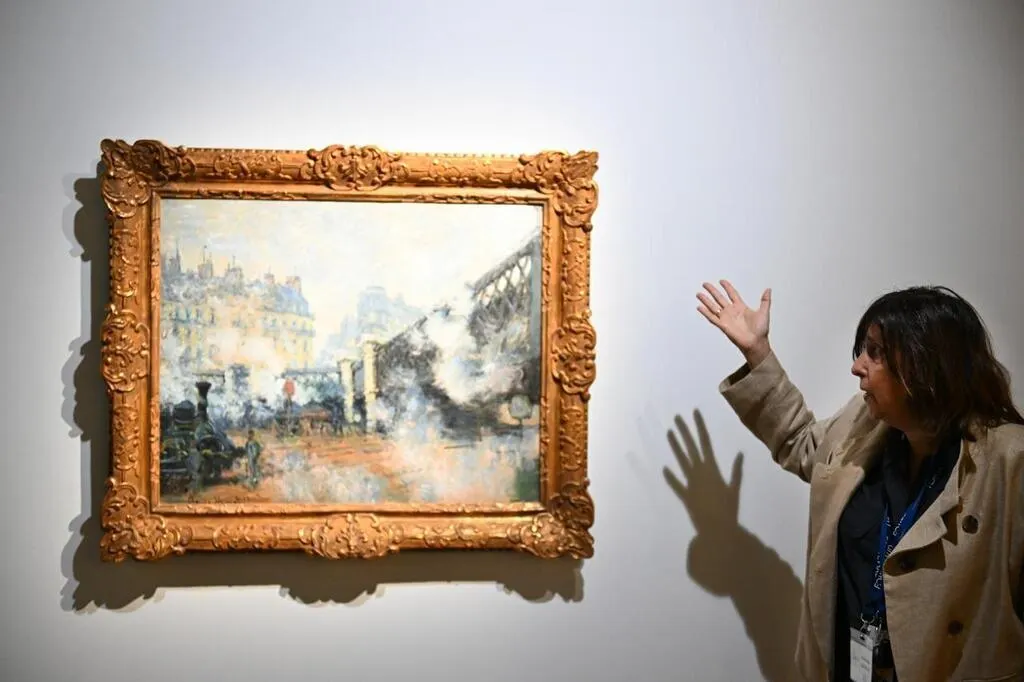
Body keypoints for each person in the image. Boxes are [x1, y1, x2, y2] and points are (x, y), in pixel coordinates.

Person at [695, 280, 1024, 682]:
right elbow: (803, 444)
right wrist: (758, 353)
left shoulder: (1009, 462)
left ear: (926, 366)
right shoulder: (865, 422)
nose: (857, 366)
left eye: (876, 352)